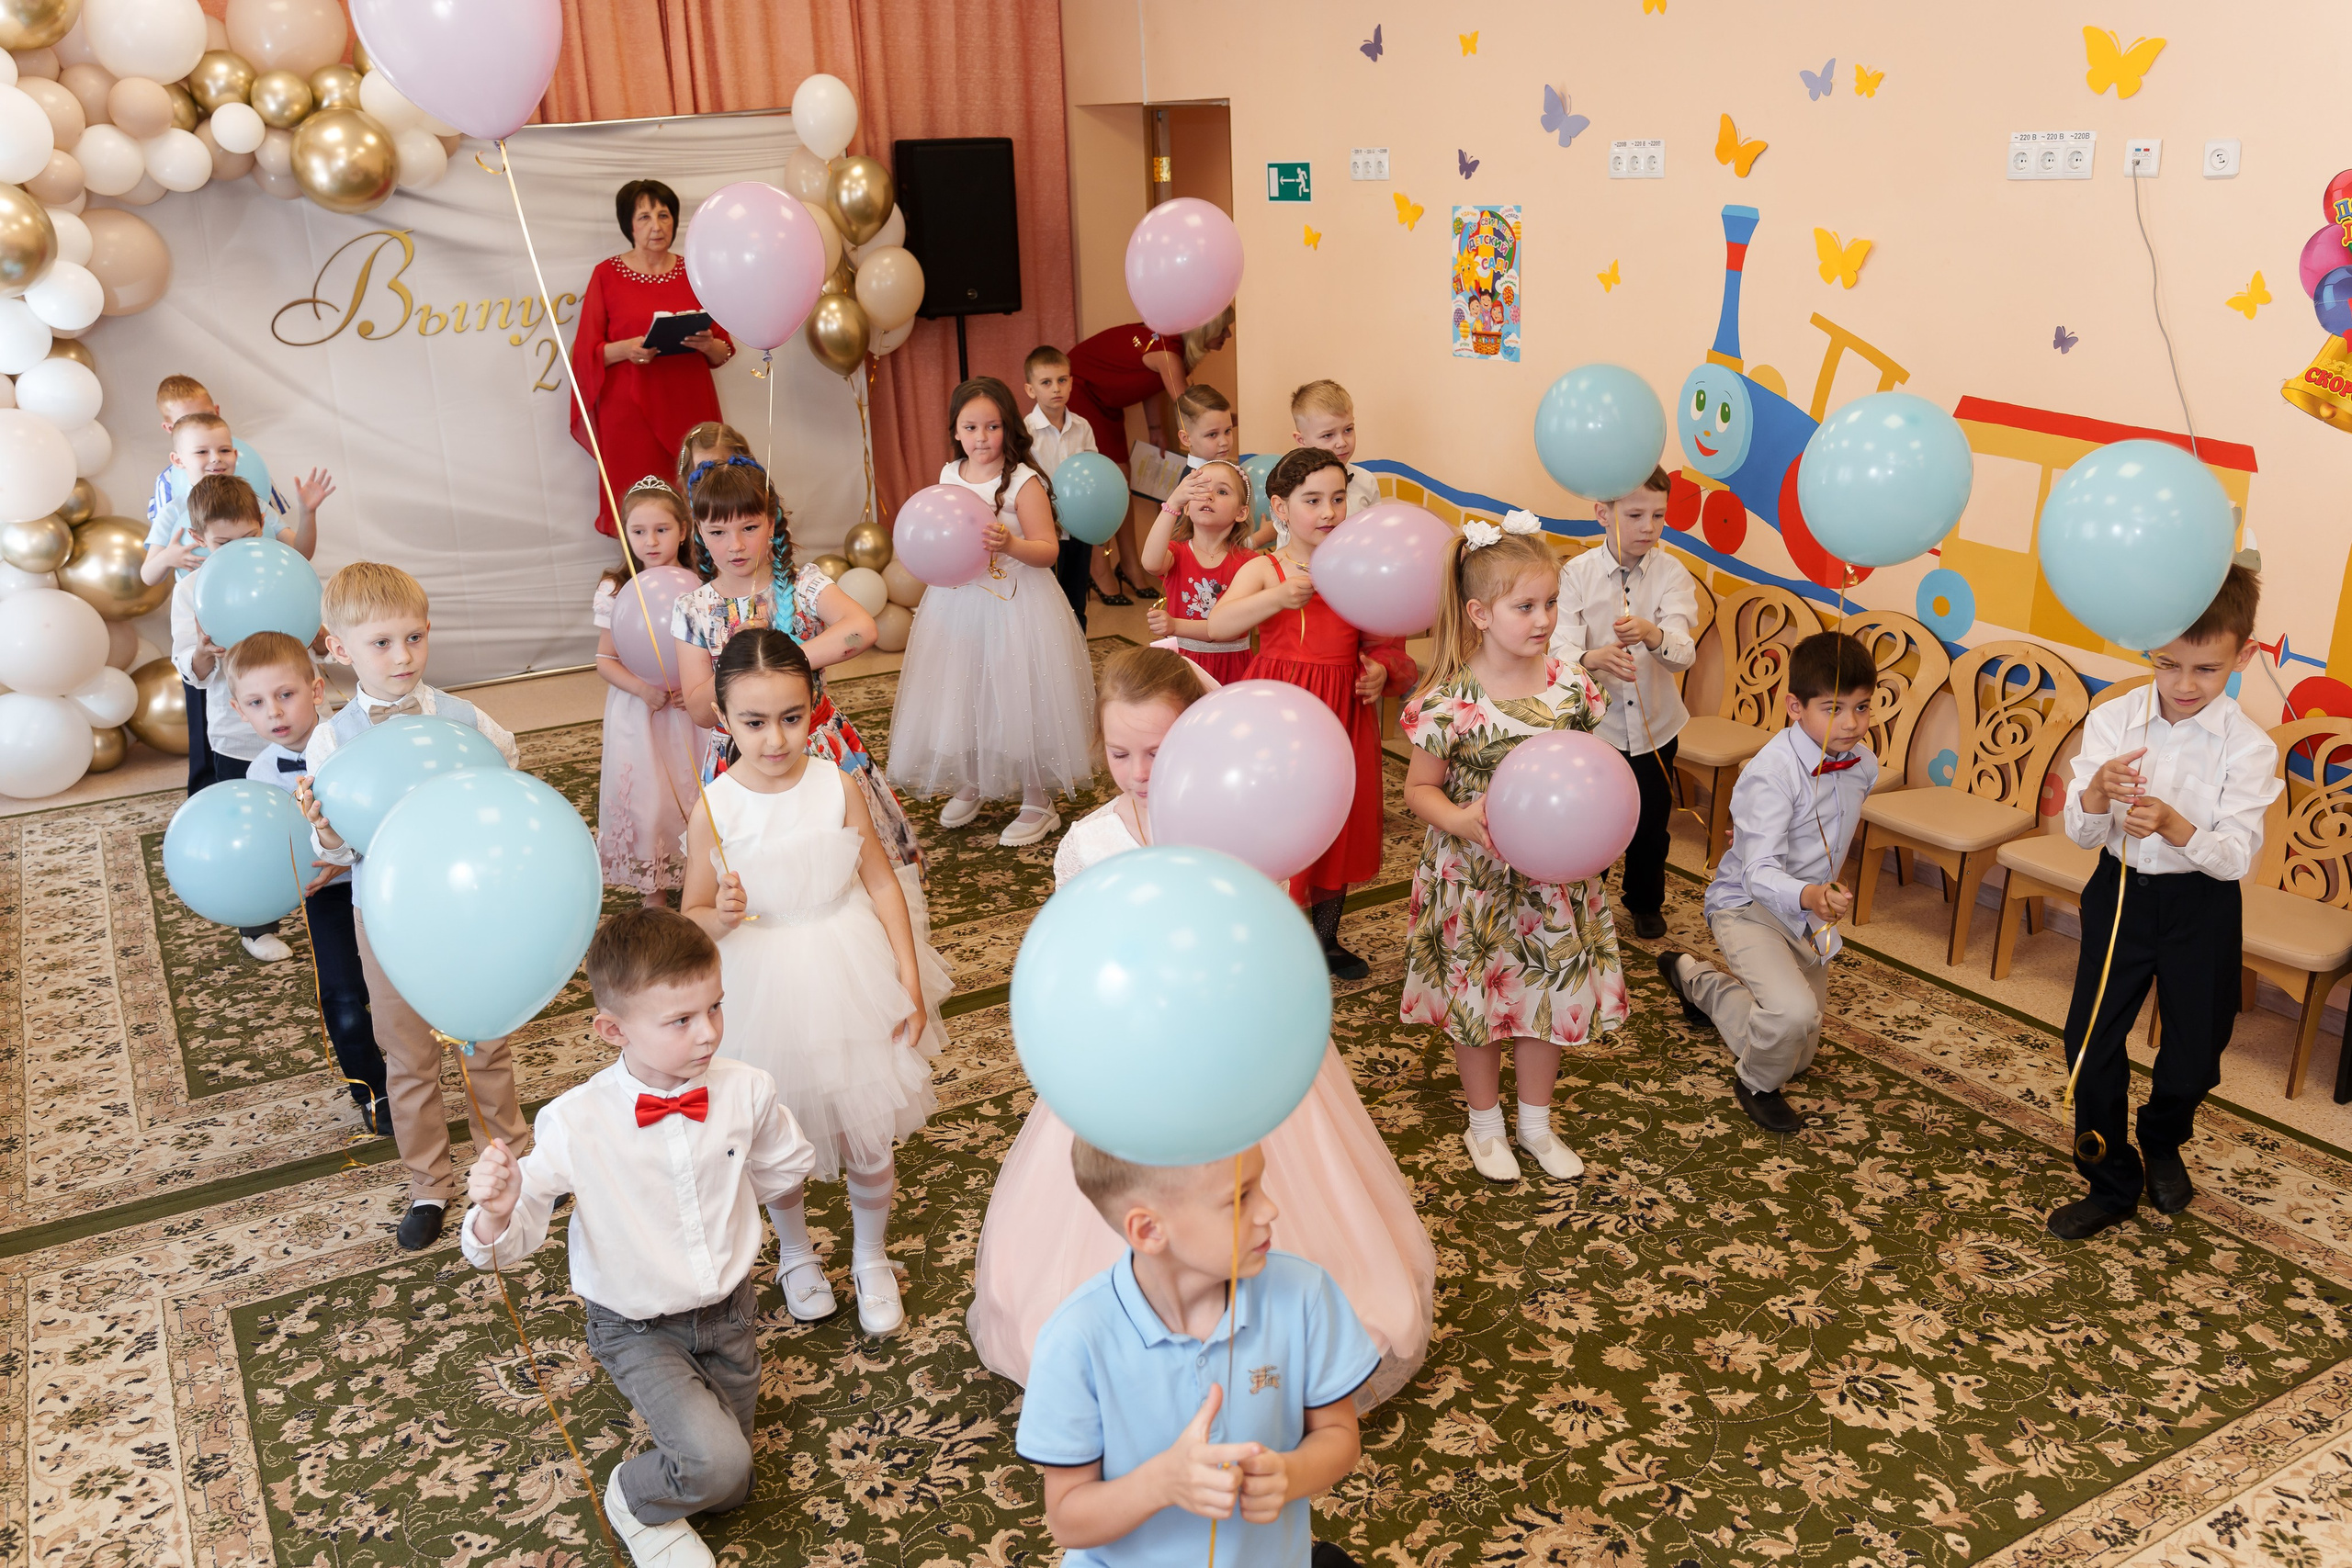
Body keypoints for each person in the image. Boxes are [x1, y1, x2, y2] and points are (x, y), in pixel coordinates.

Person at [968, 647, 1434, 1405]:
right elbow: (1075, 953)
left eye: (1157, 751)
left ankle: (1264, 1333)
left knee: (1259, 1191)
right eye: (1120, 752)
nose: (1138, 771)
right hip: (1130, 1055)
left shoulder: (1235, 823)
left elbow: (1265, 939)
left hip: (1235, 1046)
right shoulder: (1087, 842)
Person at [462, 907, 818, 1568]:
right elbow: (503, 1240)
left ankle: (701, 1457)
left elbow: (782, 1168)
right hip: (636, 1324)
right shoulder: (576, 1120)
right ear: (612, 1029)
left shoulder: (747, 1089)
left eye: (715, 1007)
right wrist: (496, 1210)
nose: (708, 1032)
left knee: (730, 1488)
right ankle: (629, 1495)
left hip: (731, 1311)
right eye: (680, 1020)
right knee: (716, 1464)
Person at [680, 631, 949, 1335]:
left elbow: (882, 882)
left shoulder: (837, 783)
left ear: (814, 707)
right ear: (723, 717)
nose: (775, 739)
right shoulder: (715, 806)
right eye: (754, 722)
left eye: (792, 717)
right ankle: (796, 1253)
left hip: (847, 967)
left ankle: (870, 1255)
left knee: (868, 1134)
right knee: (778, 1134)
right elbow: (692, 916)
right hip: (760, 979)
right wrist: (719, 914)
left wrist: (908, 979)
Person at [293, 562, 527, 1251]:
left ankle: (513, 1160)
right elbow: (335, 846)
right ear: (339, 649)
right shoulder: (332, 740)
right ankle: (429, 1182)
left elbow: (508, 777)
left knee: (485, 1038)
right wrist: (327, 832)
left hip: (467, 907)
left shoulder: (465, 719)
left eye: (414, 638)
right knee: (407, 1051)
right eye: (382, 643)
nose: (403, 656)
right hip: (386, 916)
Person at [2046, 566, 2280, 1240]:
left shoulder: (2250, 747)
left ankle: (2162, 1134)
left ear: (2244, 655)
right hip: (2119, 893)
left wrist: (2179, 827)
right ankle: (2110, 1178)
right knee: (2090, 1044)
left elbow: (2234, 859)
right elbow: (2082, 832)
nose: (2184, 684)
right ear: (2150, 646)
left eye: (2206, 668)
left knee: (2195, 1054)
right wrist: (2096, 794)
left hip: (2200, 908)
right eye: (2168, 663)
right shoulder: (2113, 718)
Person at [1017, 1139, 1374, 1568]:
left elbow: (1339, 1435)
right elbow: (1067, 1521)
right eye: (1240, 1198)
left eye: (1260, 1185)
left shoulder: (1304, 1293)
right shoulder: (1073, 1341)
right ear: (1149, 1230)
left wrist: (1291, 1474)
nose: (1269, 1209)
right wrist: (1160, 1483)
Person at [1401, 519, 1627, 1183]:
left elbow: (1584, 773)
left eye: (1550, 603)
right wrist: (1461, 820)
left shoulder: (1571, 686)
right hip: (1476, 877)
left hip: (1552, 882)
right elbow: (1418, 789)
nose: (1544, 619)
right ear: (1479, 613)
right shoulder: (1450, 700)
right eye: (1524, 606)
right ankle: (1485, 1126)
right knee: (1479, 1004)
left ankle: (1535, 1123)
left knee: (1543, 998)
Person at [1204, 448, 1417, 979]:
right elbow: (1220, 624)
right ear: (1280, 507)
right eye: (1313, 500)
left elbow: (1388, 644)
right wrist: (1278, 597)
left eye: (1338, 499)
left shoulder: (1358, 573)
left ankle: (1324, 939)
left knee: (1335, 819)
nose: (1328, 512)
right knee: (1277, 816)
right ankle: (1267, 932)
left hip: (1342, 713)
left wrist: (1381, 670)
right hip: (1280, 712)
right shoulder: (1264, 567)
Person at [1659, 632, 1879, 1135]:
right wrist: (1808, 892)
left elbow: (1826, 829)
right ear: (1795, 707)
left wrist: (1811, 883)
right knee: (1791, 1016)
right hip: (1748, 906)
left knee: (1797, 1053)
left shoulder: (1863, 765)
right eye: (1833, 708)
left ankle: (1697, 983)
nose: (1851, 723)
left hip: (1805, 912)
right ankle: (1755, 1084)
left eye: (1862, 707)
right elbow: (1756, 873)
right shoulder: (1771, 773)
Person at [669, 457, 924, 886]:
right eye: (718, 532)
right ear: (698, 532)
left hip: (814, 745)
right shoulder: (693, 609)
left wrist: (783, 658)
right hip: (742, 757)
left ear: (771, 523)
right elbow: (698, 710)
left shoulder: (804, 584)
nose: (735, 545)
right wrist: (738, 664)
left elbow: (863, 629)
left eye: (749, 527)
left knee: (842, 866)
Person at [888, 377, 1098, 849]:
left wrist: (1011, 543)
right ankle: (975, 779)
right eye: (971, 427)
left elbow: (1048, 550)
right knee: (965, 690)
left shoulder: (1023, 481)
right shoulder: (949, 475)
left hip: (1016, 603)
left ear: (1008, 428)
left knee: (1018, 693)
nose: (981, 438)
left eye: (992, 426)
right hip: (958, 603)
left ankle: (1038, 798)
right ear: (955, 431)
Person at [228, 629, 389, 1135]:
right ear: (239, 711)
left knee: (406, 980)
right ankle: (372, 1089)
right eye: (256, 702)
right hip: (326, 896)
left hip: (382, 878)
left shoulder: (357, 742)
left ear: (316, 690)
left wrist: (348, 853)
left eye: (285, 694)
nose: (274, 712)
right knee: (342, 995)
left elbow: (388, 812)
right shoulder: (259, 776)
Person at [1551, 468, 1698, 941]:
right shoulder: (1575, 575)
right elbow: (1558, 648)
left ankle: (1644, 901)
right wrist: (1592, 659)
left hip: (1658, 725)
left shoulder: (1672, 574)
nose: (1648, 527)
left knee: (1651, 823)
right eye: (1635, 515)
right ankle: (1582, 898)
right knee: (1590, 820)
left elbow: (1683, 653)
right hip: (1598, 730)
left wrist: (1654, 635)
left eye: (1658, 515)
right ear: (1602, 514)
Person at [570, 178, 737, 536]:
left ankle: (701, 566)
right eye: (644, 217)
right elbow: (585, 353)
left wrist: (706, 343)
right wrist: (626, 349)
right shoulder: (606, 274)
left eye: (664, 215)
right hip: (629, 414)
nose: (656, 226)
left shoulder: (695, 269)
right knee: (640, 504)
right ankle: (643, 572)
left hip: (690, 406)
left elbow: (724, 350)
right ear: (628, 225)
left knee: (701, 498)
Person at [1065, 309, 1236, 600]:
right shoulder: (1168, 351)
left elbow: (1152, 383)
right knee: (1111, 481)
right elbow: (1191, 412)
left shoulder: (1172, 349)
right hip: (1082, 392)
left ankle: (1129, 565)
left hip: (1107, 404)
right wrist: (1228, 422)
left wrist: (1155, 428)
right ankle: (1099, 568)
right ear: (1205, 330)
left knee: (1123, 479)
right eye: (1223, 329)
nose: (1228, 335)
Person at [594, 477, 706, 906]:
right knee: (649, 793)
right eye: (638, 531)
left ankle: (702, 875)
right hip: (642, 711)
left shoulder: (699, 583)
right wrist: (643, 689)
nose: (651, 541)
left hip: (690, 707)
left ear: (683, 530)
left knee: (695, 787)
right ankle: (652, 887)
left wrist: (698, 686)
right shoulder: (616, 587)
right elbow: (605, 659)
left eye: (662, 529)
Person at [141, 409, 328, 582]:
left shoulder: (254, 503)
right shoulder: (172, 512)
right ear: (178, 460)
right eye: (202, 452)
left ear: (235, 454)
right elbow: (148, 577)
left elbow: (301, 552)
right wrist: (166, 558)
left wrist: (308, 513)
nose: (216, 458)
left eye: (224, 450)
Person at [1141, 461, 1256, 685]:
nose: (1208, 496)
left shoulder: (1249, 563)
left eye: (1222, 492)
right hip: (1182, 664)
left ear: (1241, 512)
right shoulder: (1177, 553)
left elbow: (1231, 628)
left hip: (1231, 665)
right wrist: (1172, 503)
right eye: (1200, 490)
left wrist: (1175, 626)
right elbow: (1151, 564)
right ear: (1186, 507)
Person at [1023, 345, 1106, 627]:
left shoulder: (1082, 427)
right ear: (1031, 389)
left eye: (1061, 380)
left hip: (1080, 529)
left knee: (1076, 600)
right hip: (1044, 530)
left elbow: (1095, 476)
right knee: (1047, 601)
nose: (1056, 388)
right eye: (1046, 382)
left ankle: (1078, 652)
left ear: (1071, 383)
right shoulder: (1026, 432)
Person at [1289, 380, 1383, 522]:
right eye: (1328, 435)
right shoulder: (1291, 485)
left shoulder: (1366, 481)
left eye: (1348, 430)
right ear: (1302, 441)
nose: (1342, 443)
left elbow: (1376, 527)